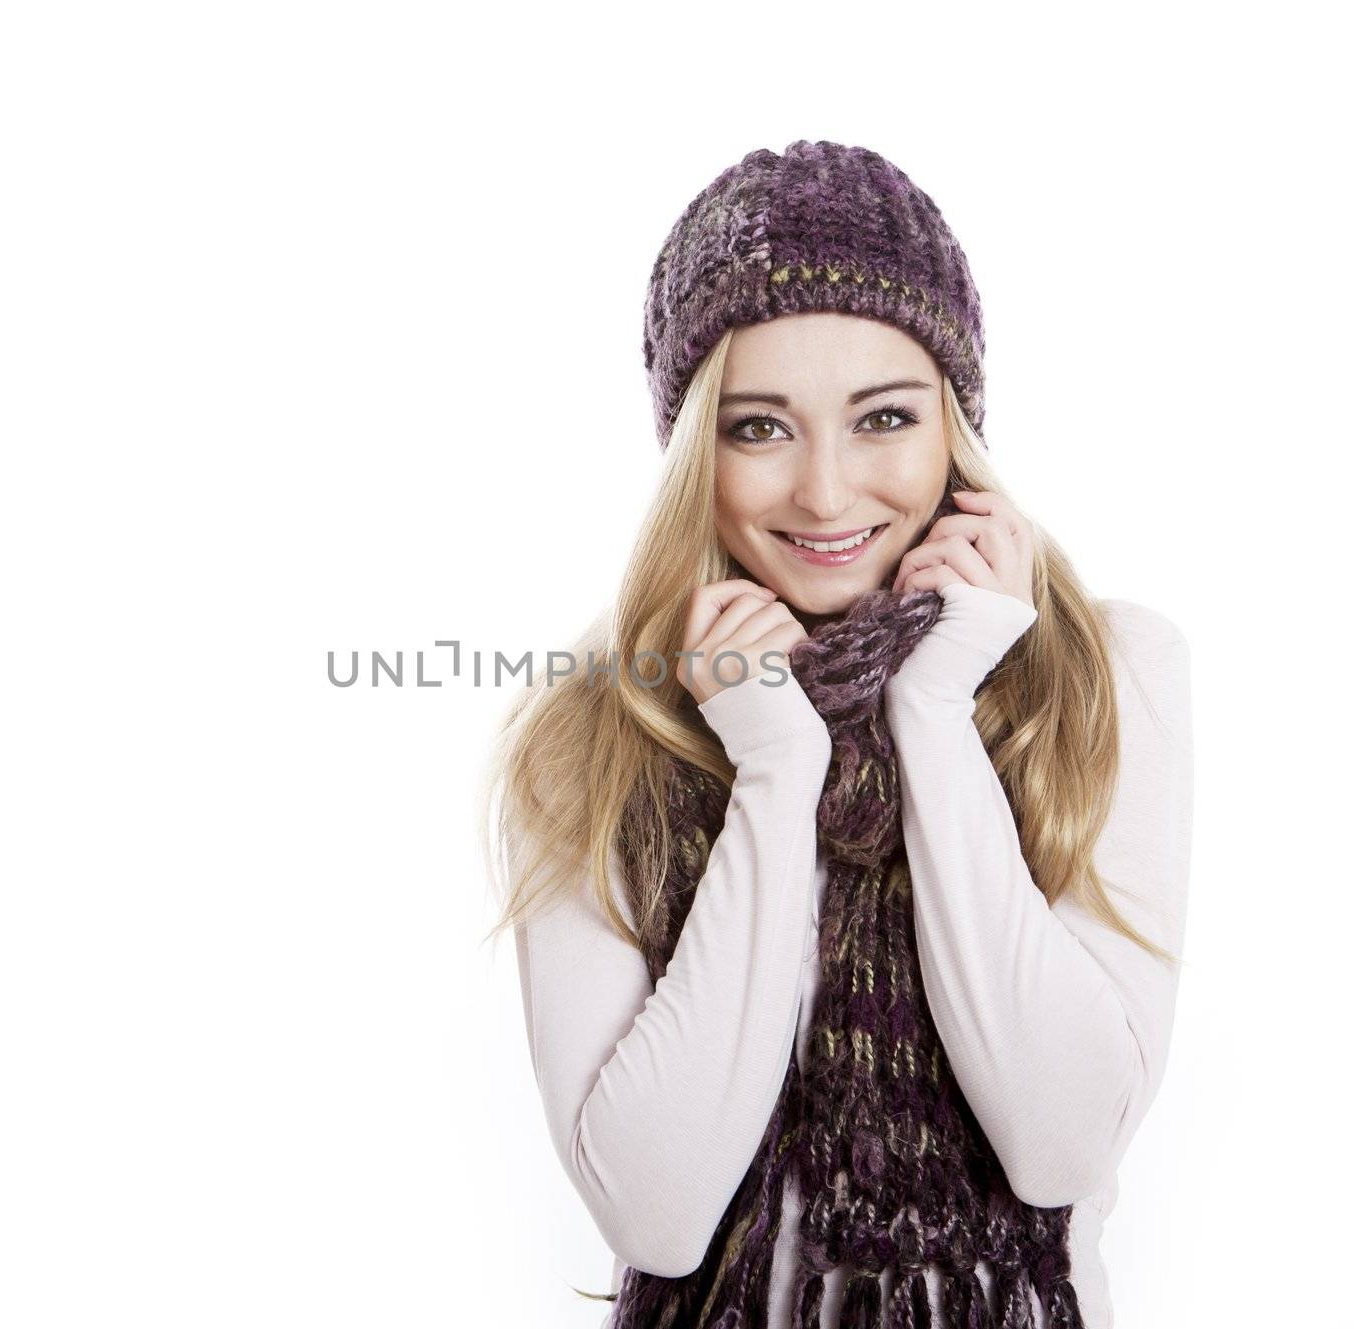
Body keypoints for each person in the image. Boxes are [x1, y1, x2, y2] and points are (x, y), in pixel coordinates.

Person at [482, 139, 1193, 1329]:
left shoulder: (1105, 672)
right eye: (758, 428)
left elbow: (1059, 1145)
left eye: (882, 418)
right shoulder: (587, 738)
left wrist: (932, 712)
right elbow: (656, 1214)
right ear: (690, 452)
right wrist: (772, 766)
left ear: (955, 425)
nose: (823, 493)